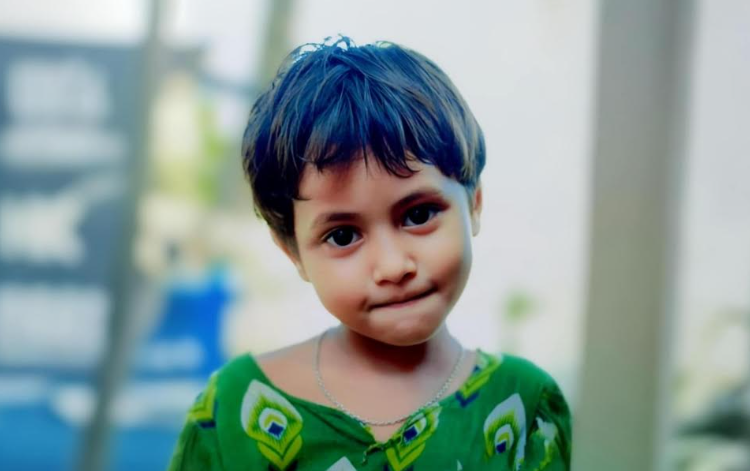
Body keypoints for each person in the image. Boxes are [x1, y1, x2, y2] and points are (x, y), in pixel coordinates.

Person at [167, 36, 571, 471]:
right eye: (343, 236)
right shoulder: (232, 412)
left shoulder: (526, 404)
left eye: (418, 215)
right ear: (292, 251)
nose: (393, 267)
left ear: (474, 203)